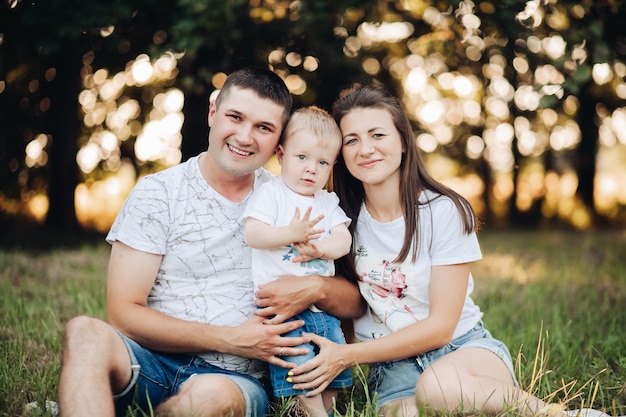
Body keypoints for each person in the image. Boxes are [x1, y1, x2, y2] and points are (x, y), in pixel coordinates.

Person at [281, 85, 620, 417]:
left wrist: (346, 356)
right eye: (352, 140)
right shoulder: (340, 221)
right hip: (392, 368)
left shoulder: (443, 211)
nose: (365, 149)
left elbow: (442, 326)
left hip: (462, 349)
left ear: (402, 142)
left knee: (439, 389)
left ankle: (562, 414)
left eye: (377, 135)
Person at [56, 68, 364, 417]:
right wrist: (229, 338)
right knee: (84, 332)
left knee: (210, 395)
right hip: (149, 361)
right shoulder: (158, 194)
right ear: (213, 111)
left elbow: (355, 302)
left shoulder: (293, 197)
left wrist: (313, 287)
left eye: (263, 127)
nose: (245, 137)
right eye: (235, 117)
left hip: (231, 378)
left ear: (280, 142)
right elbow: (123, 314)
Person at [242, 106, 353, 417]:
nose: (311, 169)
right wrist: (289, 233)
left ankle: (327, 410)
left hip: (323, 310)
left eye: (322, 162)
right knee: (299, 368)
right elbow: (253, 234)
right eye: (301, 157)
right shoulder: (271, 194)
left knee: (330, 368)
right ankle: (309, 412)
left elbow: (343, 240)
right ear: (281, 155)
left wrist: (321, 250)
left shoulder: (327, 201)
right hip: (282, 311)